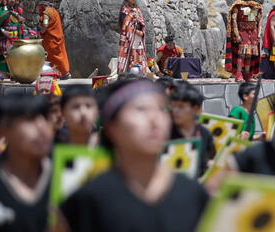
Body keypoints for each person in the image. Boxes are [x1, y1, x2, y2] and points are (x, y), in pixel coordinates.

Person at [56, 80, 209, 232]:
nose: (154, 119)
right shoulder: (87, 200)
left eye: (162, 109)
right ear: (111, 126)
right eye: (141, 109)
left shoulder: (193, 194)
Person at [0, 93, 54, 232]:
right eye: (30, 119)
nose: (42, 128)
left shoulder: (68, 174)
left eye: (45, 118)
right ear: (2, 130)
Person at [169, 82, 216, 176]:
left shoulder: (204, 134)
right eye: (173, 106)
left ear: (195, 108)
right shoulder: (165, 133)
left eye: (181, 106)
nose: (175, 111)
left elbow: (210, 158)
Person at [225, 0, 263, 82]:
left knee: (249, 55)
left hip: (253, 33)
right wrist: (236, 34)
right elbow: (234, 21)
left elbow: (259, 20)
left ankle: (248, 74)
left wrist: (259, 33)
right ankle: (239, 74)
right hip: (242, 32)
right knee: (241, 54)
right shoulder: (237, 5)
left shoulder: (256, 6)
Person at [39, 0, 71, 79]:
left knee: (53, 57)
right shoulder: (54, 11)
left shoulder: (46, 13)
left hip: (51, 40)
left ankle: (59, 73)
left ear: (43, 5)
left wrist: (41, 32)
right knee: (61, 55)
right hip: (58, 38)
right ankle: (65, 72)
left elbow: (45, 25)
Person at [0, 0, 24, 75]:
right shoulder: (1, 10)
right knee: (3, 56)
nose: (12, 0)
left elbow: (19, 25)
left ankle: (13, 74)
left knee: (15, 57)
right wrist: (3, 32)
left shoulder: (17, 10)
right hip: (4, 38)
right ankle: (1, 74)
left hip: (15, 38)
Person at [117, 0, 147, 75]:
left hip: (138, 36)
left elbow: (142, 22)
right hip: (129, 38)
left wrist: (140, 31)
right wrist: (133, 30)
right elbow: (124, 24)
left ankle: (140, 72)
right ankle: (128, 73)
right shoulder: (125, 10)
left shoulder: (138, 10)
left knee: (139, 53)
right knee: (130, 54)